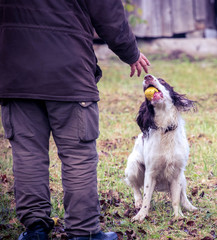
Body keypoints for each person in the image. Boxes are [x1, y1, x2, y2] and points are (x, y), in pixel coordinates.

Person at [0, 0, 150, 239]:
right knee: (78, 155)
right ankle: (84, 232)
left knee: (28, 154)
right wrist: (130, 52)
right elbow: (108, 11)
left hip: (16, 75)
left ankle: (35, 230)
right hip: (69, 74)